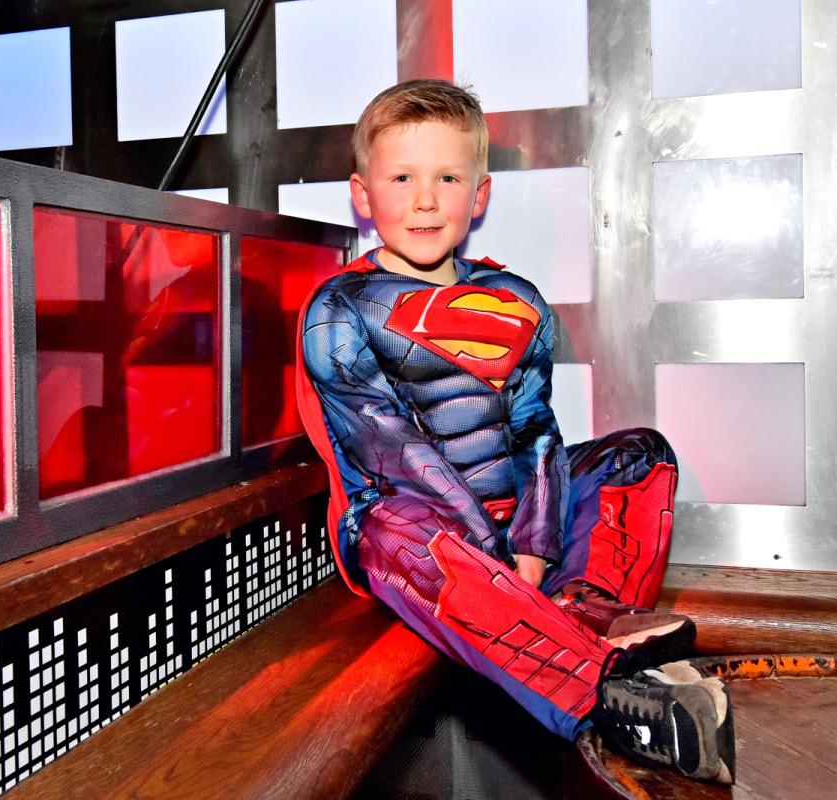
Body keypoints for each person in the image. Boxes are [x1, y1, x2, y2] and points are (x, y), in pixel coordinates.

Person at [295, 79, 734, 784]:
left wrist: (533, 544)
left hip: (515, 533)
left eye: (447, 178)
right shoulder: (338, 309)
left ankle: (583, 605)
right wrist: (492, 555)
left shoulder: (514, 299)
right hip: (419, 532)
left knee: (640, 453)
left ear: (480, 195)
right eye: (402, 178)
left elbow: (536, 431)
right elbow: (393, 455)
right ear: (362, 194)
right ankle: (607, 695)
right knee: (391, 528)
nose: (426, 199)